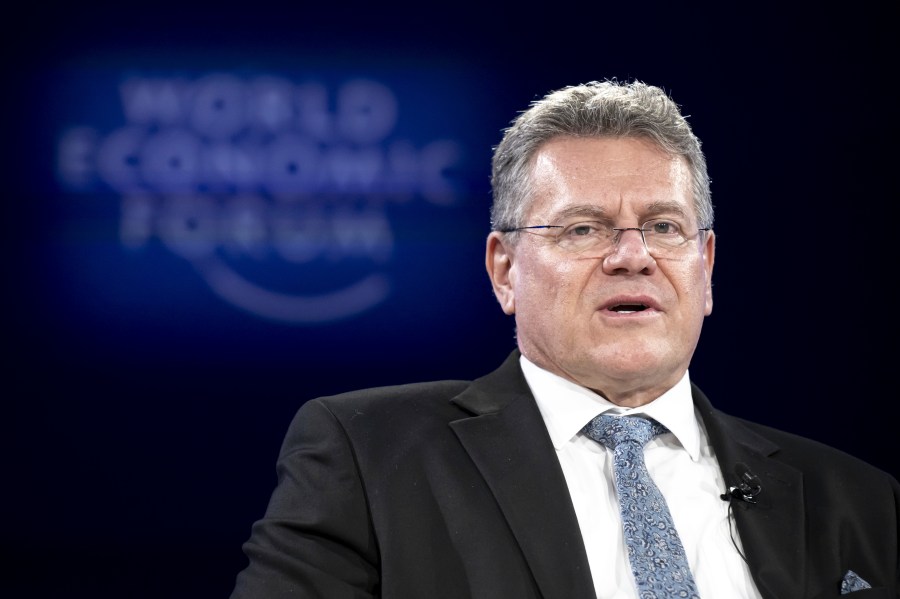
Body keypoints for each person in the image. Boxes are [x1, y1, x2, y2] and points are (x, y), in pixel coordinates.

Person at [229, 80, 899, 599]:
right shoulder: (369, 454)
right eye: (583, 229)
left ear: (708, 267)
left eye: (665, 227)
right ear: (504, 270)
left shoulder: (858, 500)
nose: (633, 255)